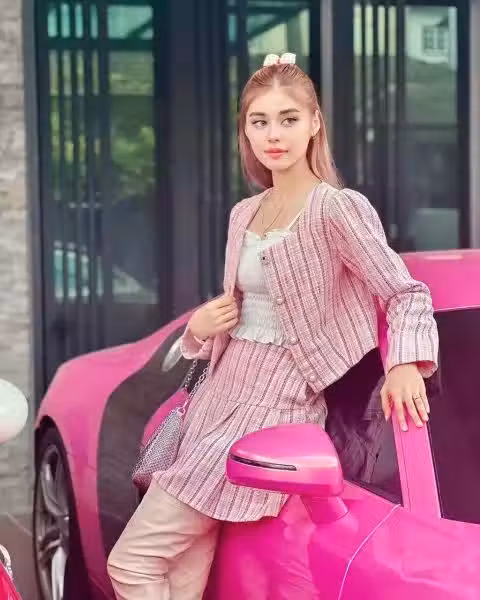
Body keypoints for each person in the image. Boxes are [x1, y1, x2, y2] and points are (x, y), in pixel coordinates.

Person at [107, 52, 439, 600]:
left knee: (132, 563)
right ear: (245, 131)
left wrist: (405, 362)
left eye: (288, 119)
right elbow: (238, 316)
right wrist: (199, 328)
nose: (274, 135)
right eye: (259, 121)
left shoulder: (336, 209)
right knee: (184, 573)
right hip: (216, 398)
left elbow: (404, 292)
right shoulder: (244, 212)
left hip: (274, 407)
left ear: (314, 124)